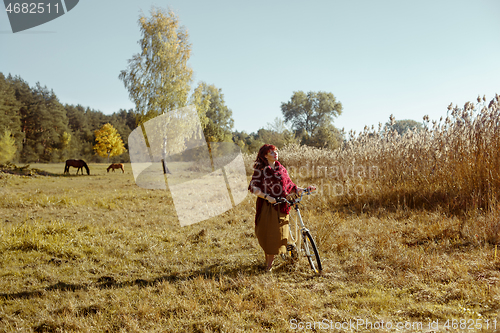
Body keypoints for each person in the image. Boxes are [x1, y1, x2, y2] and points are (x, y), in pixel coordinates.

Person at [248, 144, 315, 272]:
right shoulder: (260, 169)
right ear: (265, 155)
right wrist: (267, 197)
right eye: (271, 152)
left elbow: (290, 185)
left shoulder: (281, 168)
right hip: (268, 206)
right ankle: (268, 265)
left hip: (282, 205)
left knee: (277, 236)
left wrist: (304, 189)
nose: (275, 154)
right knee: (268, 235)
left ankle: (270, 265)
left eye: (275, 151)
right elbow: (254, 188)